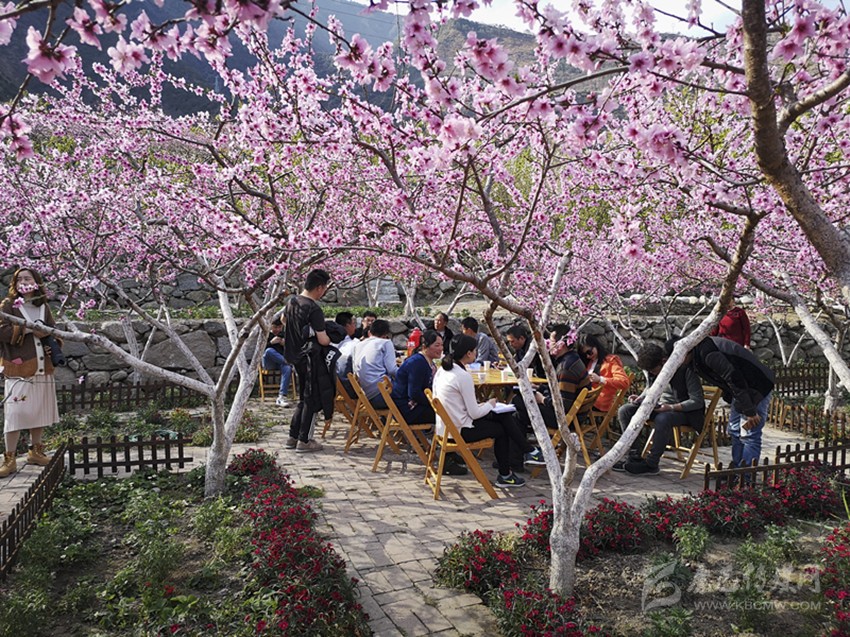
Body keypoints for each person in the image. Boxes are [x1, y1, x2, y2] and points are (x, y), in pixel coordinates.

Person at [434, 334, 545, 488]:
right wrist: (490, 404)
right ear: (468, 353)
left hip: (445, 427)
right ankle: (509, 471)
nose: (476, 353)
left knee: (503, 417)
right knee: (501, 429)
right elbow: (474, 413)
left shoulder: (442, 370)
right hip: (459, 430)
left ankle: (527, 453)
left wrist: (485, 406)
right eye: (475, 350)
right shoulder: (462, 376)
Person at [0, 267, 59, 477]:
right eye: (19, 279)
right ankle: (10, 458)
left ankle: (36, 451)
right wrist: (27, 329)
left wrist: (48, 335)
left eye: (28, 278)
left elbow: (53, 329)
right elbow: (1, 330)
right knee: (15, 413)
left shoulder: (43, 306)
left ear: (36, 282)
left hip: (43, 365)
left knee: (38, 411)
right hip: (19, 366)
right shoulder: (8, 305)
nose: (23, 282)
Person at [614, 341, 705, 476]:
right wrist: (640, 398)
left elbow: (697, 401)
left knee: (663, 418)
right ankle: (634, 456)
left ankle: (651, 464)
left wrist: (671, 407)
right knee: (625, 410)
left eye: (653, 370)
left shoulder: (685, 370)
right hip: (658, 407)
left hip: (683, 412)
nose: (652, 373)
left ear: (664, 361)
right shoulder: (655, 373)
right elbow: (651, 388)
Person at [689, 336, 774, 469]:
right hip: (741, 391)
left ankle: (745, 475)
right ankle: (736, 469)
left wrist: (750, 411)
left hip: (757, 387)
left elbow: (734, 379)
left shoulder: (708, 353)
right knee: (735, 430)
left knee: (749, 434)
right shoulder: (696, 357)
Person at [283, 268, 331, 453]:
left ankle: (293, 437)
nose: (324, 292)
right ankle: (305, 440)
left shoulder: (292, 302)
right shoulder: (313, 308)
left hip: (293, 356)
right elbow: (323, 339)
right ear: (319, 287)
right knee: (311, 399)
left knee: (303, 398)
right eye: (324, 288)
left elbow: (284, 320)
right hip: (310, 359)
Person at [512, 325, 591, 434]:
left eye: (552, 341)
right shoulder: (573, 358)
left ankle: (526, 439)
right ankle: (525, 438)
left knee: (519, 401)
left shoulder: (566, 368)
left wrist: (542, 399)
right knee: (519, 413)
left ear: (561, 344)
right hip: (576, 415)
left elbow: (563, 405)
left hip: (566, 419)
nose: (548, 344)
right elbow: (560, 390)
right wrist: (540, 387)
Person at [391, 330, 442, 425]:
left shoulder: (426, 361)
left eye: (441, 345)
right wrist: (433, 403)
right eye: (437, 345)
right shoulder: (417, 363)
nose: (441, 349)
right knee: (447, 414)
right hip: (407, 410)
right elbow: (414, 393)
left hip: (414, 405)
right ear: (424, 346)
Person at [578, 333, 631, 415]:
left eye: (589, 352)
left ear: (596, 346)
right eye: (585, 355)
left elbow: (624, 382)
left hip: (599, 402)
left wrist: (600, 379)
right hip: (587, 398)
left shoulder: (611, 361)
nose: (588, 356)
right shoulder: (589, 362)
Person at [352, 319, 398, 409]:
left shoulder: (357, 346)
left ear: (370, 332)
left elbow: (355, 371)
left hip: (365, 397)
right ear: (386, 334)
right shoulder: (385, 343)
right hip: (383, 395)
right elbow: (392, 370)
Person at [261, 316, 293, 408]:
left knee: (287, 368)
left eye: (279, 327)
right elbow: (260, 351)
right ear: (271, 326)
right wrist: (271, 343)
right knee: (269, 351)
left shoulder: (285, 335)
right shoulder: (265, 334)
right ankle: (289, 362)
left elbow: (292, 350)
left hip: (281, 362)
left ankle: (282, 397)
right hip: (269, 362)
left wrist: (285, 345)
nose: (277, 330)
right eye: (275, 327)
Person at [334, 311, 358, 397]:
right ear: (347, 325)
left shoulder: (330, 343)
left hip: (334, 387)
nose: (355, 327)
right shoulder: (353, 344)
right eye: (353, 324)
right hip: (350, 388)